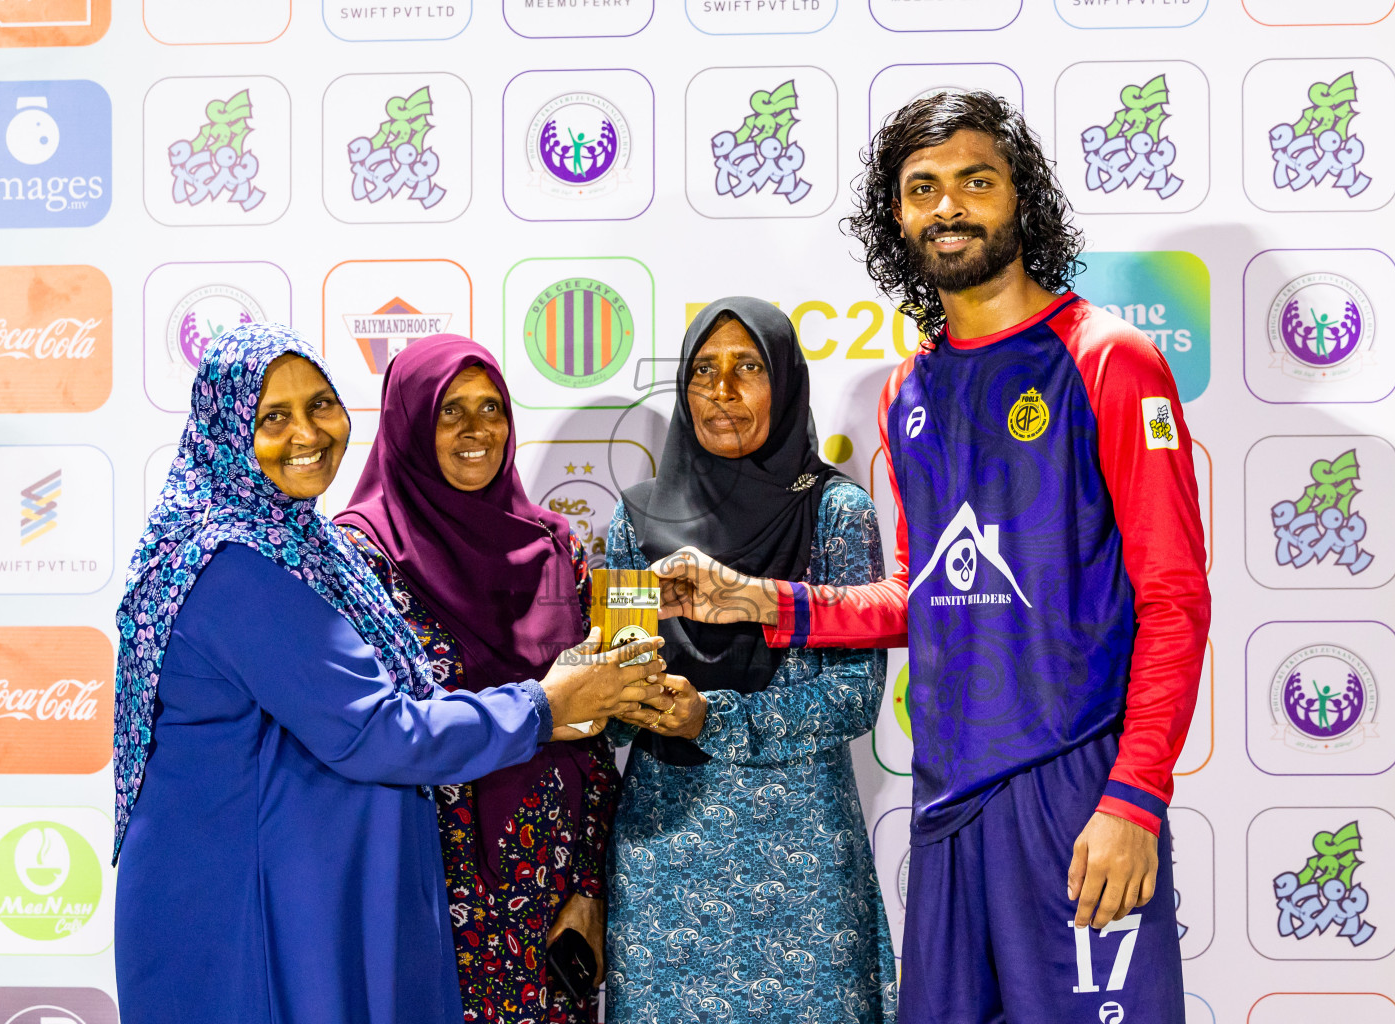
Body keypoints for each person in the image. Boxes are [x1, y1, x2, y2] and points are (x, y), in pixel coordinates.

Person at [654, 94, 1211, 1023]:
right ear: (897, 216)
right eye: (922, 189)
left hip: (1072, 789)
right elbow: (927, 596)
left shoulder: (1109, 362)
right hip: (948, 803)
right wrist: (757, 601)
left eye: (974, 182)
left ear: (1020, 199)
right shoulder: (910, 389)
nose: (948, 207)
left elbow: (1174, 602)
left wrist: (1134, 800)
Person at [111, 324, 665, 1024]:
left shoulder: (297, 540)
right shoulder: (233, 564)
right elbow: (378, 727)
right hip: (242, 896)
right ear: (224, 432)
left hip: (325, 883)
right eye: (271, 417)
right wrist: (544, 705)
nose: (307, 433)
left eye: (320, 405)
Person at [603, 297, 897, 1023]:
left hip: (801, 855)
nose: (722, 393)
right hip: (663, 851)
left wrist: (716, 717)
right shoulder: (635, 519)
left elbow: (858, 693)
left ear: (787, 383)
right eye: (704, 370)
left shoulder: (835, 512)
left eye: (747, 369)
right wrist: (615, 694)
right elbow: (611, 702)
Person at [334, 336, 624, 1024]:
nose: (476, 431)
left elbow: (589, 735)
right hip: (422, 887)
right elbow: (371, 733)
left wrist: (589, 885)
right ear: (408, 422)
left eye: (490, 407)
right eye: (449, 411)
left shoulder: (555, 548)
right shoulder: (359, 558)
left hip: (549, 898)